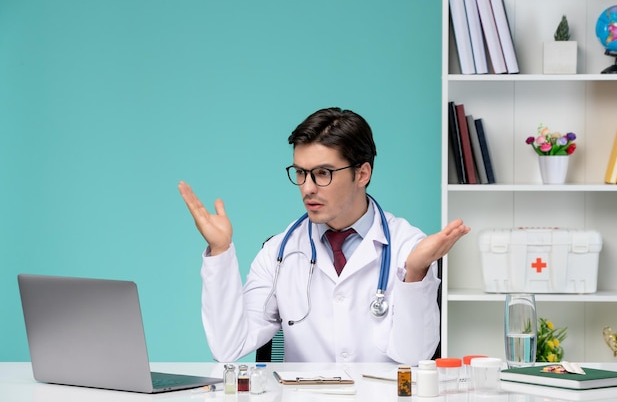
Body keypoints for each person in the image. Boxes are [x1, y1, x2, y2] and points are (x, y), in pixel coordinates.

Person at [178, 107, 470, 365]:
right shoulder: (279, 250)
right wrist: (220, 250)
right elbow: (228, 346)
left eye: (323, 173)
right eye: (301, 173)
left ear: (362, 173)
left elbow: (415, 357)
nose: (307, 188)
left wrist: (416, 271)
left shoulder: (409, 245)